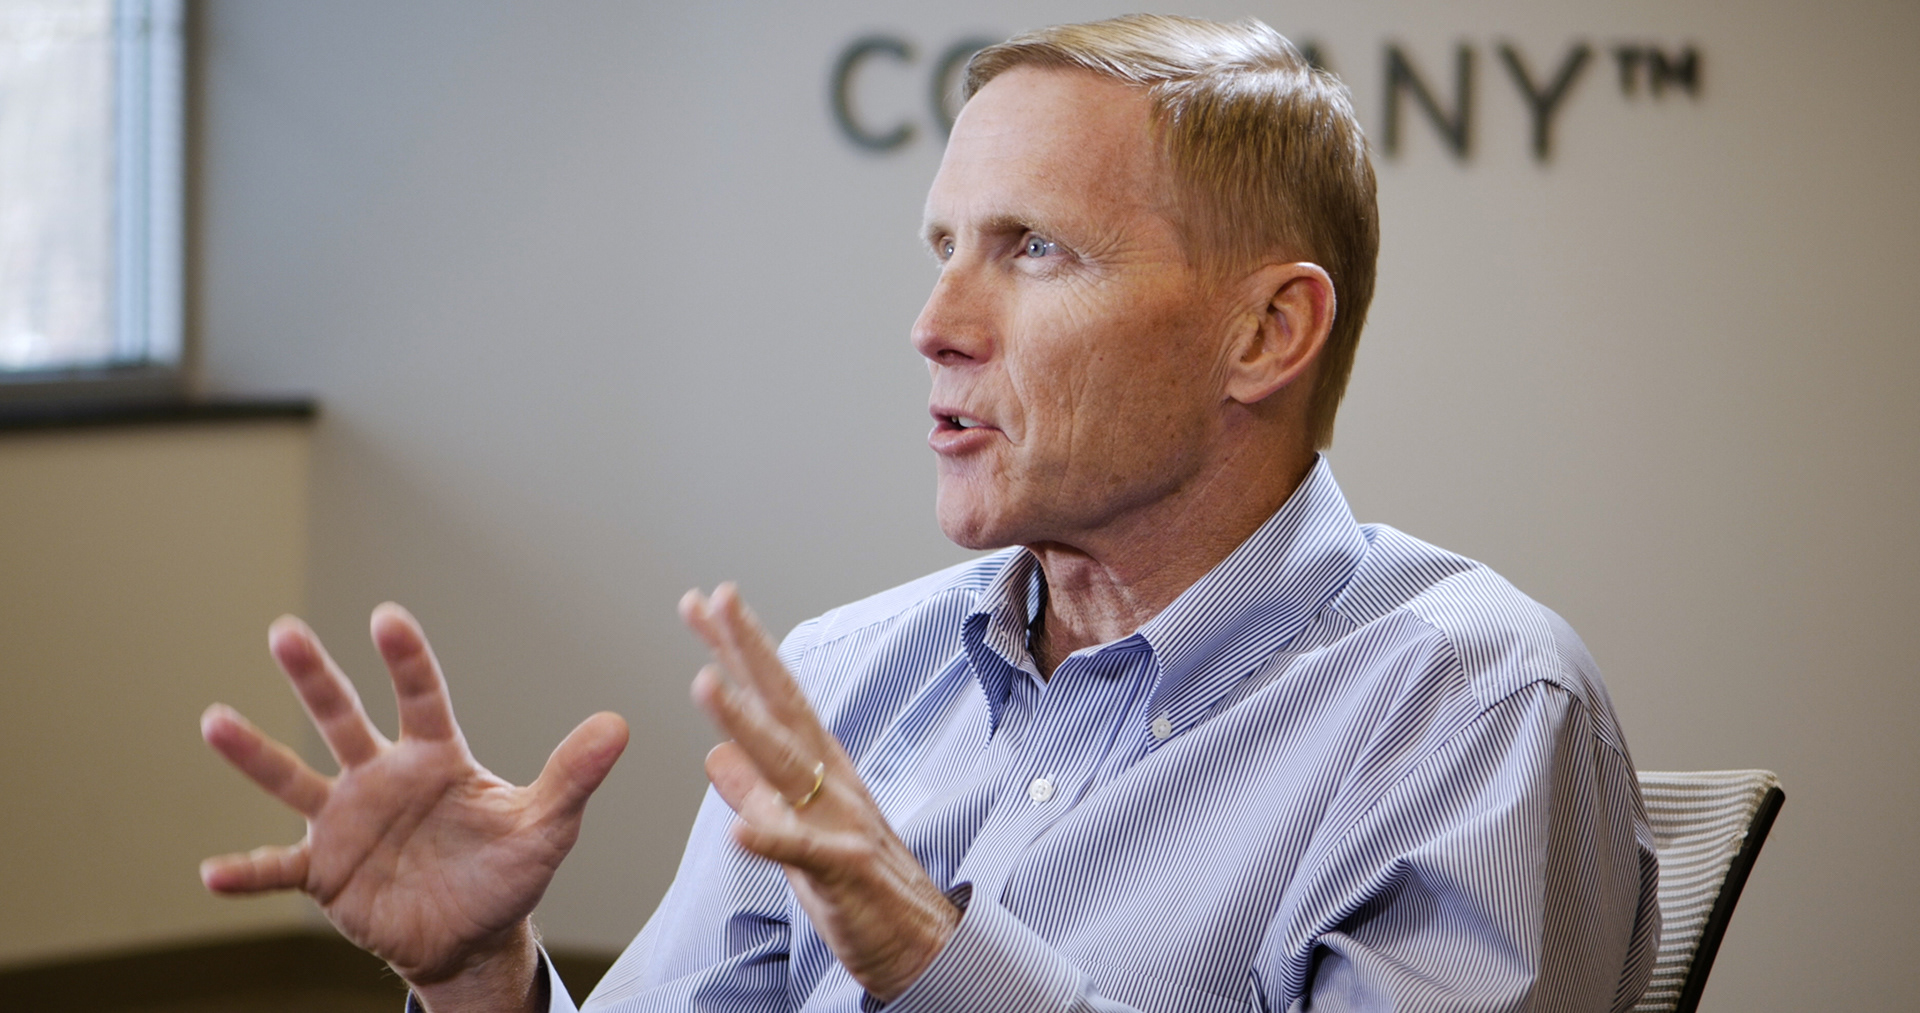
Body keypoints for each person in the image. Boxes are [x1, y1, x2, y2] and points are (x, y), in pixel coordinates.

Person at [200, 14, 1660, 1013]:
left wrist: (926, 953)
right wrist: (483, 978)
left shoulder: (1472, 705)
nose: (935, 324)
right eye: (945, 245)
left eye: (1036, 250)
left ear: (1266, 333)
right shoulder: (843, 680)